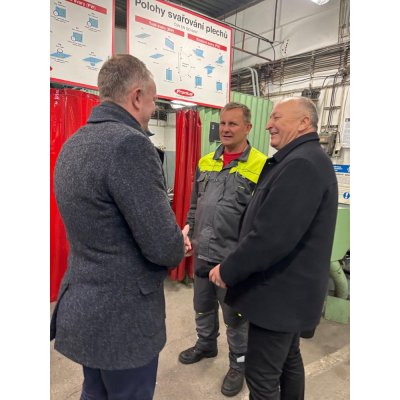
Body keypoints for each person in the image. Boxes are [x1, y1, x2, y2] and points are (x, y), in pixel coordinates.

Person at [51, 54, 189, 400]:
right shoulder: (131, 145)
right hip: (122, 318)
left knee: (94, 392)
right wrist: (179, 241)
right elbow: (163, 247)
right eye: (153, 101)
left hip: (83, 306)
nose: (152, 110)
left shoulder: (73, 144)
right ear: (137, 96)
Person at [209, 97, 339, 400]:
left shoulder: (301, 164)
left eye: (277, 117)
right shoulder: (304, 159)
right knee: (289, 361)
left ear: (304, 122)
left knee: (262, 377)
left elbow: (271, 237)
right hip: (290, 296)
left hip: (279, 297)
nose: (269, 124)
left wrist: (229, 270)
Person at [179, 102, 267, 397]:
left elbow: (262, 220)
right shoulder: (206, 161)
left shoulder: (261, 165)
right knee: (202, 307)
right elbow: (195, 205)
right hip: (203, 253)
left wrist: (247, 259)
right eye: (223, 123)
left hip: (233, 261)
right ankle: (206, 345)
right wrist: (188, 232)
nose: (226, 129)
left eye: (233, 124)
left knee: (236, 318)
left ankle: (238, 365)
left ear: (248, 128)